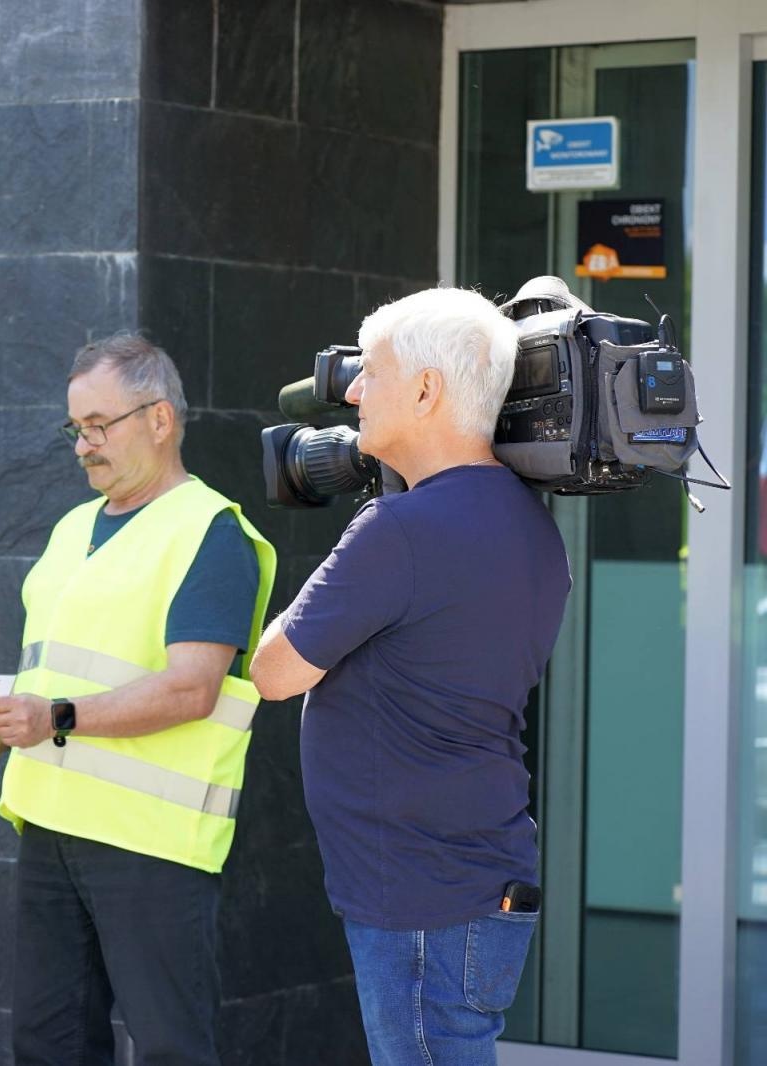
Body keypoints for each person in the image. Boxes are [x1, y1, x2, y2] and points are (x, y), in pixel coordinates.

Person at [248, 287, 571, 1065]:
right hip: (471, 879)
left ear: (427, 390)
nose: (354, 392)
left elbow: (274, 671)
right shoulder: (532, 525)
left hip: (422, 895)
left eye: (373, 374)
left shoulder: (400, 530)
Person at [0, 332, 274, 1066]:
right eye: (76, 427)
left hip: (152, 846)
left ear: (159, 420)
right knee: (48, 1043)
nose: (82, 445)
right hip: (49, 824)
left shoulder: (211, 532)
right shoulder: (73, 528)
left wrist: (55, 719)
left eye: (99, 426)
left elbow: (193, 688)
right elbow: (49, 674)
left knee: (169, 1048)